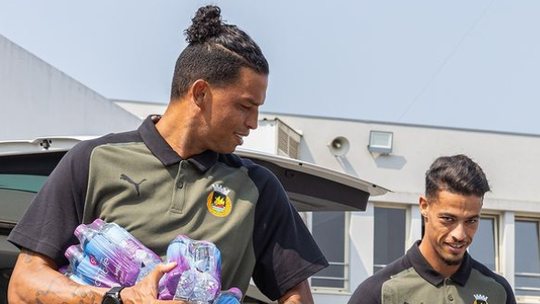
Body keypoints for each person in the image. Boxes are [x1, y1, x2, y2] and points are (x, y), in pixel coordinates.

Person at [7, 5, 327, 304]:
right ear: (200, 93)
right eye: (245, 106)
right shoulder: (93, 160)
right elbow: (23, 286)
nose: (253, 123)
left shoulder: (258, 188)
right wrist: (118, 297)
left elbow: (295, 294)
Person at [348, 155, 516, 304]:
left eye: (471, 221)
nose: (460, 234)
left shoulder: (498, 292)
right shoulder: (377, 293)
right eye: (448, 219)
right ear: (424, 206)